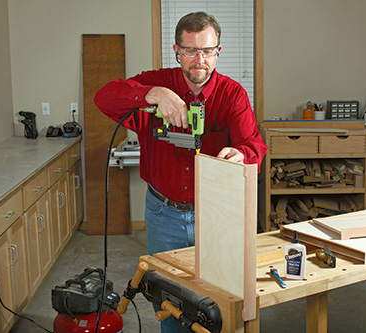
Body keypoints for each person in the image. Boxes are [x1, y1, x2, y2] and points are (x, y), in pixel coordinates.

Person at [94, 11, 267, 332]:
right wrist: (152, 94)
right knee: (171, 300)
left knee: (220, 301)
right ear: (176, 50)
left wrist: (240, 154)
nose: (199, 59)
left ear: (218, 50)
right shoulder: (157, 83)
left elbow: (255, 146)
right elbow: (103, 97)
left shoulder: (233, 95)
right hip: (164, 213)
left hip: (217, 214)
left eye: (207, 50)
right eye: (190, 50)